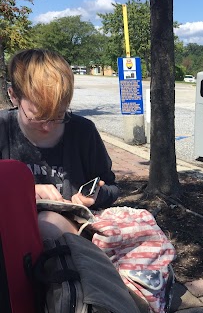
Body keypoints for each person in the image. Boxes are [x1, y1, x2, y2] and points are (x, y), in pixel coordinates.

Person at [0, 48, 119, 238]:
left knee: (48, 224)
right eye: (37, 117)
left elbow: (111, 188)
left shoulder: (83, 131)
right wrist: (23, 191)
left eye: (58, 116)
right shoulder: (3, 128)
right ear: (13, 96)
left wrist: (95, 196)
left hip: (69, 240)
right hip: (11, 236)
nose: (47, 127)